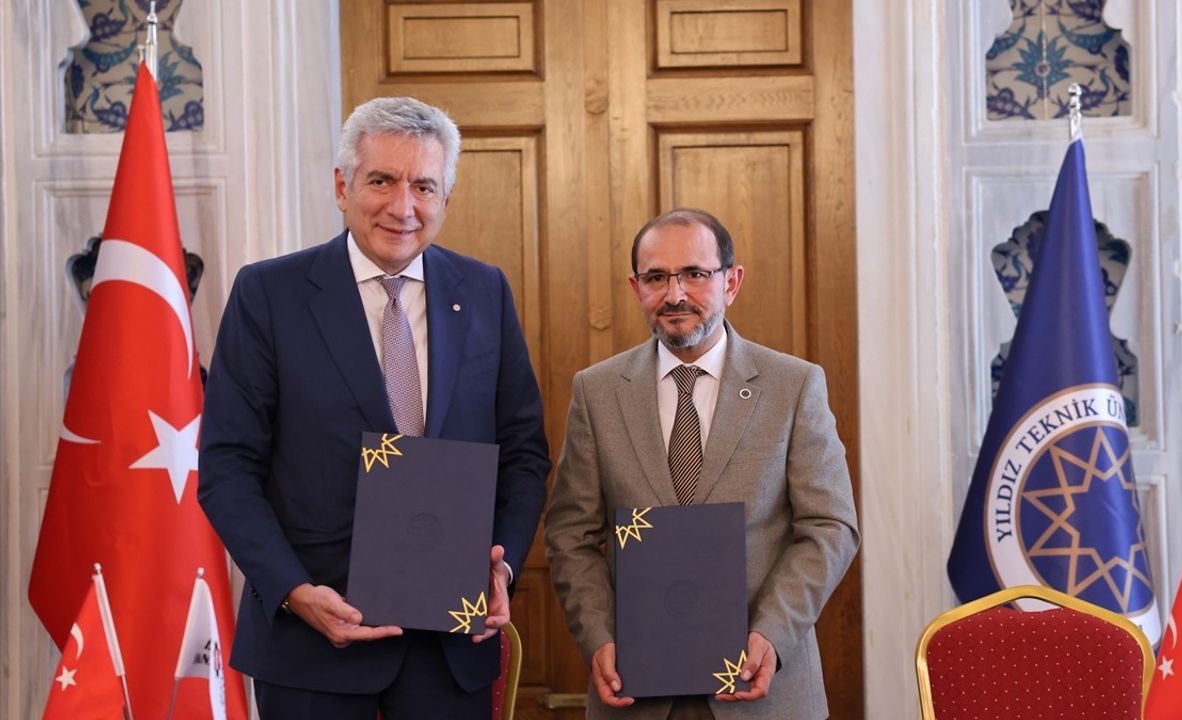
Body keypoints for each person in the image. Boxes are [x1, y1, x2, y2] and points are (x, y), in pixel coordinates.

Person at [198, 97, 550, 719]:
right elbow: (227, 468)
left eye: (423, 186)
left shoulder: (485, 291)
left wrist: (503, 565)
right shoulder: (268, 294)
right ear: (342, 186)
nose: (403, 207)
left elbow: (522, 453)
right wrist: (294, 591)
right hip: (311, 645)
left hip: (451, 646)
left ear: (446, 196)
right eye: (381, 180)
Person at [544, 208, 860, 719]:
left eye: (695, 274)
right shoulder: (597, 392)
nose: (675, 295)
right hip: (634, 691)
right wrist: (598, 637)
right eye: (656, 278)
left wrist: (771, 635)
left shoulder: (794, 386)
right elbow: (570, 535)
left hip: (763, 689)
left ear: (731, 282)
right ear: (635, 286)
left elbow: (831, 526)